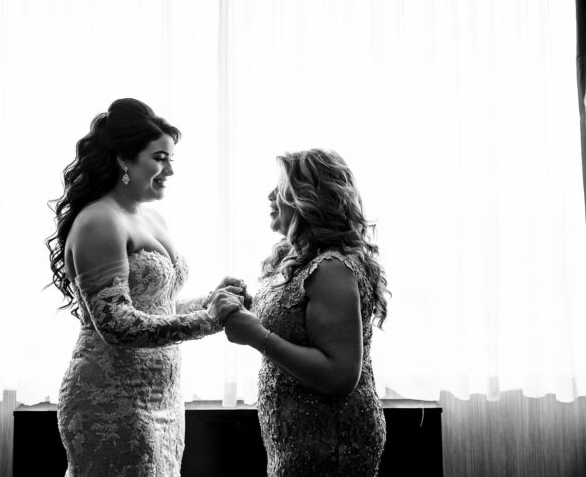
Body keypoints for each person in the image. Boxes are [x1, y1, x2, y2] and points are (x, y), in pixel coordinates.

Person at [47, 98, 248, 477]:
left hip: (164, 397)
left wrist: (212, 299)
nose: (170, 169)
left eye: (171, 159)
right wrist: (208, 320)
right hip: (113, 401)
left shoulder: (151, 217)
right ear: (125, 159)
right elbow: (117, 325)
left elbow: (159, 306)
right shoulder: (99, 222)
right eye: (160, 158)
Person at [224, 149, 390, 476]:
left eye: (281, 187)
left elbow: (340, 374)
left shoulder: (331, 269)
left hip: (329, 440)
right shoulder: (300, 259)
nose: (271, 196)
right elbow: (297, 323)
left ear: (309, 199)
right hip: (297, 437)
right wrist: (249, 307)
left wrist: (256, 336)